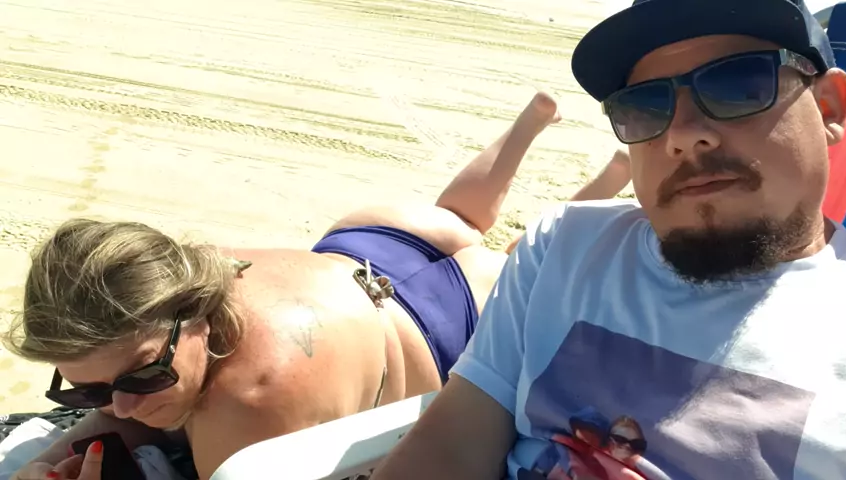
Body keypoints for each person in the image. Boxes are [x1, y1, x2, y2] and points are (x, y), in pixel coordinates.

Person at [3, 91, 628, 480]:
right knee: (461, 221)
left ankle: (583, 189)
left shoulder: (250, 405)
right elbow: (125, 408)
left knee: (522, 262)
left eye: (142, 378)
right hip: (380, 240)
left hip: (449, 322)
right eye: (84, 391)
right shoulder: (182, 268)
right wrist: (50, 457)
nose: (117, 407)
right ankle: (536, 131)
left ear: (195, 317)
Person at [372, 0, 846, 479]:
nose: (683, 136)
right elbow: (450, 447)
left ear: (828, 107)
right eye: (645, 106)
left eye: (738, 86)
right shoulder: (567, 247)